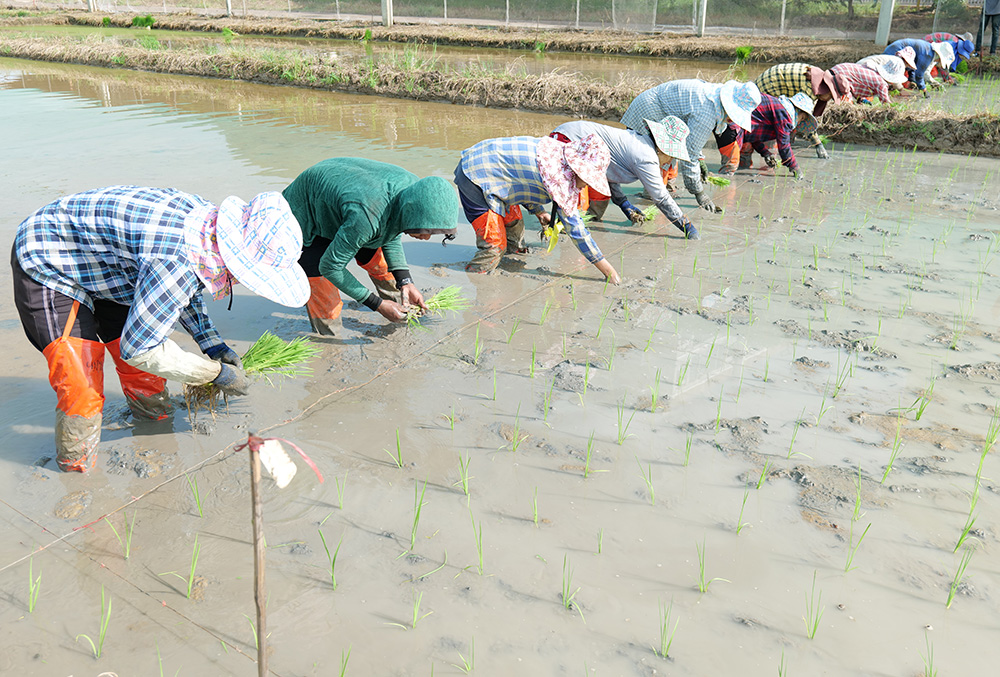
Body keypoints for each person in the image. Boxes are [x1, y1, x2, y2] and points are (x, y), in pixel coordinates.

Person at [12, 186, 309, 473]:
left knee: (144, 372)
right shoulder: (176, 257)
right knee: (81, 385)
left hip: (111, 267)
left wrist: (212, 343)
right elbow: (141, 347)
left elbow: (186, 288)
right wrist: (218, 374)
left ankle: (154, 424)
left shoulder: (206, 233)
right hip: (49, 257)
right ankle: (77, 473)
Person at [282, 158, 459, 335]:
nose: (426, 237)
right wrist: (377, 305)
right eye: (424, 230)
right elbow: (330, 266)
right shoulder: (368, 214)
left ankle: (401, 309)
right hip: (306, 216)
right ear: (411, 211)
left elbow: (391, 229)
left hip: (349, 209)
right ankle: (329, 341)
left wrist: (406, 281)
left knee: (381, 265)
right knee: (324, 294)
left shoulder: (417, 191)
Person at [454, 133, 620, 283]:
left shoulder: (556, 154)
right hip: (474, 176)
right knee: (494, 245)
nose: (587, 185)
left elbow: (523, 180)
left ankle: (510, 267)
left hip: (494, 174)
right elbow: (578, 233)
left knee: (515, 227)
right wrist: (608, 271)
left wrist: (539, 212)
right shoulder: (559, 179)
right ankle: (475, 277)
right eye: (588, 180)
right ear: (578, 170)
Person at [619, 79, 761, 213]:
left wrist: (700, 161)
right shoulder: (707, 111)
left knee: (668, 174)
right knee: (657, 163)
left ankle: (663, 193)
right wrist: (699, 193)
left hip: (661, 113)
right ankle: (650, 200)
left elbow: (690, 139)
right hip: (648, 113)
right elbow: (689, 154)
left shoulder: (715, 96)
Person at [549, 116, 700, 240]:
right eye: (672, 156)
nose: (670, 161)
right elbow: (661, 198)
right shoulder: (646, 157)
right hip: (568, 139)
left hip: (569, 131)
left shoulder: (640, 143)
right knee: (574, 207)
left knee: (588, 205)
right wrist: (688, 228)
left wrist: (624, 204)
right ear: (662, 148)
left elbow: (607, 171)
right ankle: (563, 235)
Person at [754, 63, 848, 159]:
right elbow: (805, 118)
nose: (829, 99)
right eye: (831, 96)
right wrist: (818, 144)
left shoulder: (817, 78)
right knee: (771, 127)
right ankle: (762, 165)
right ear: (827, 88)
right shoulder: (810, 89)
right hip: (766, 88)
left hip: (770, 82)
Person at [729, 93, 814, 179]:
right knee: (729, 169)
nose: (799, 122)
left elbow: (753, 134)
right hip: (733, 126)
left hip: (734, 125)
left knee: (733, 168)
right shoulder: (784, 114)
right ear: (797, 110)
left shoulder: (777, 108)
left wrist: (765, 153)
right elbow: (784, 146)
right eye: (802, 118)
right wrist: (795, 168)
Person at [829, 61, 897, 104]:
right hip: (842, 76)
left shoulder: (872, 71)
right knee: (847, 107)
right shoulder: (882, 84)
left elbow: (858, 83)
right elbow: (886, 103)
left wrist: (862, 99)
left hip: (837, 70)